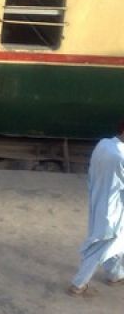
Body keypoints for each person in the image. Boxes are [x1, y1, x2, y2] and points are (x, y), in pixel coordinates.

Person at [67, 122, 124, 297]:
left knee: (117, 241)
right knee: (101, 245)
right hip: (114, 210)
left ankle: (115, 274)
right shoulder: (121, 157)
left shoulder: (103, 144)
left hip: (99, 201)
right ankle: (78, 283)